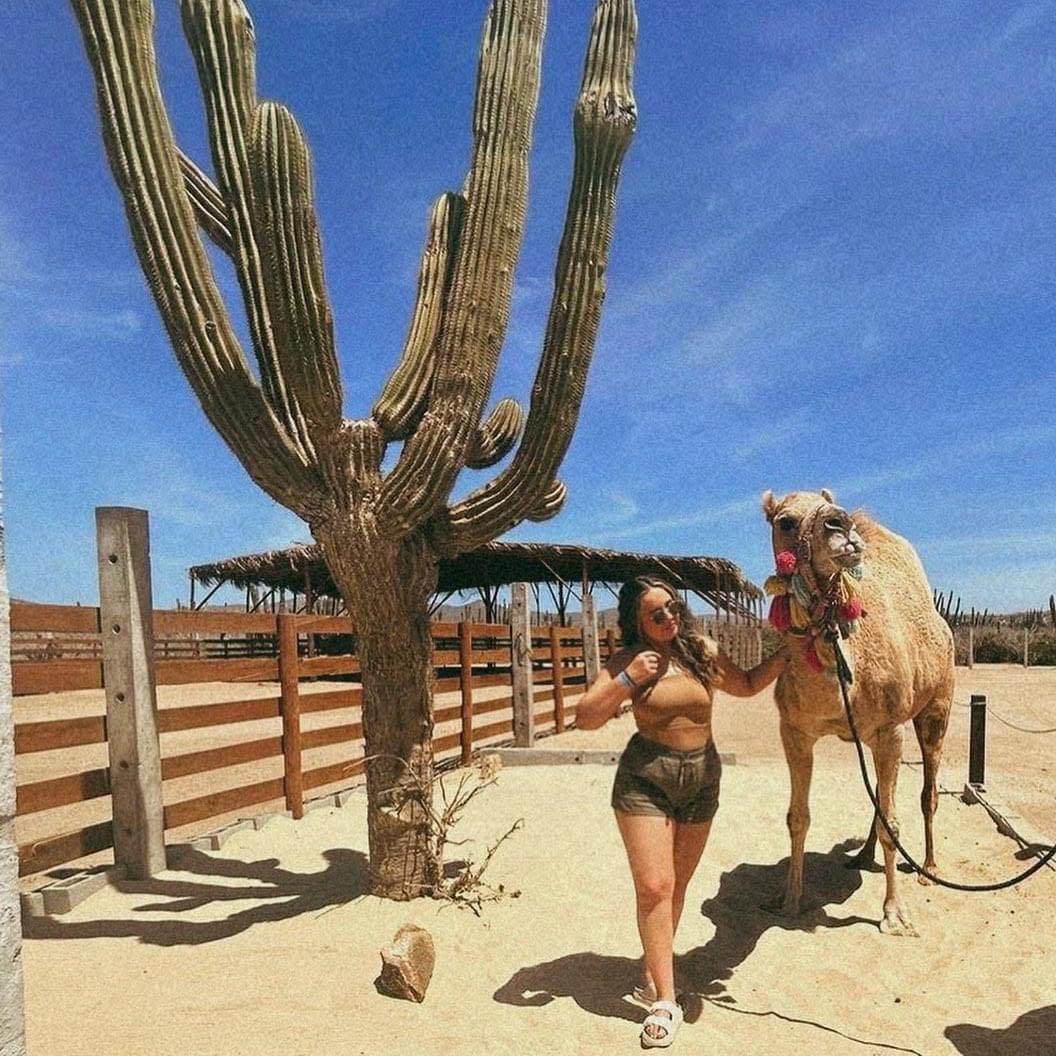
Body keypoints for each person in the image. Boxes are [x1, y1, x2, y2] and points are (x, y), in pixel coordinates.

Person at [576, 576, 789, 1048]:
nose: (670, 617)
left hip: (701, 779)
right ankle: (665, 1001)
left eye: (673, 607)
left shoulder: (701, 651)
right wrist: (630, 678)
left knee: (676, 886)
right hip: (645, 780)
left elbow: (747, 684)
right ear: (637, 621)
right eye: (657, 614)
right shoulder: (629, 661)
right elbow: (585, 717)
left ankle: (652, 970)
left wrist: (788, 653)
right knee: (655, 886)